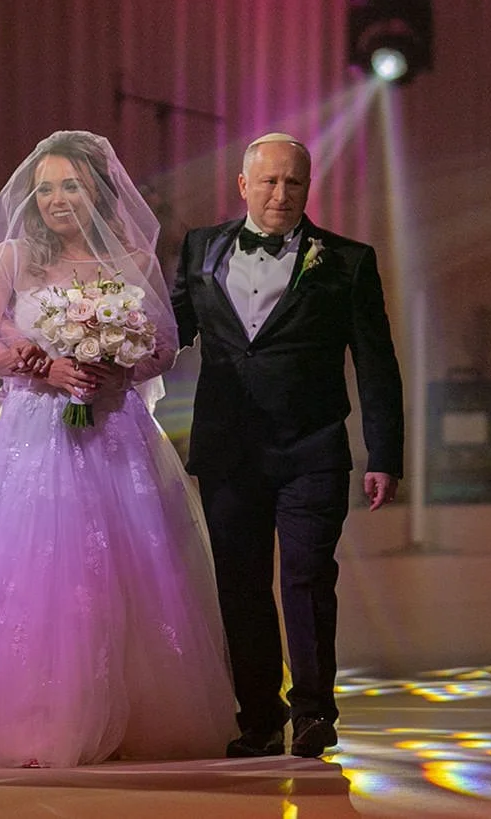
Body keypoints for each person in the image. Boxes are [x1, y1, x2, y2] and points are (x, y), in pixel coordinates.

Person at [0, 131, 237, 768]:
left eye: (71, 186)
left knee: (131, 561)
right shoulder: (13, 257)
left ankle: (140, 715)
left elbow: (163, 345)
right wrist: (39, 365)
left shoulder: (132, 259)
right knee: (43, 562)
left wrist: (121, 367)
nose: (57, 199)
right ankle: (42, 717)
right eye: (46, 188)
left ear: (98, 192)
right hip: (37, 429)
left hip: (114, 427)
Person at [170, 132, 403, 760]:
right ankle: (260, 718)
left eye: (293, 181)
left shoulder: (348, 261)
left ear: (307, 187)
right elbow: (173, 330)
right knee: (240, 585)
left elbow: (376, 364)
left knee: (307, 578)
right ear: (243, 185)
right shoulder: (200, 247)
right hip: (228, 450)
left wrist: (384, 454)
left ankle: (314, 713)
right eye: (269, 181)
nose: (281, 193)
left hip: (312, 449)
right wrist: (103, 342)